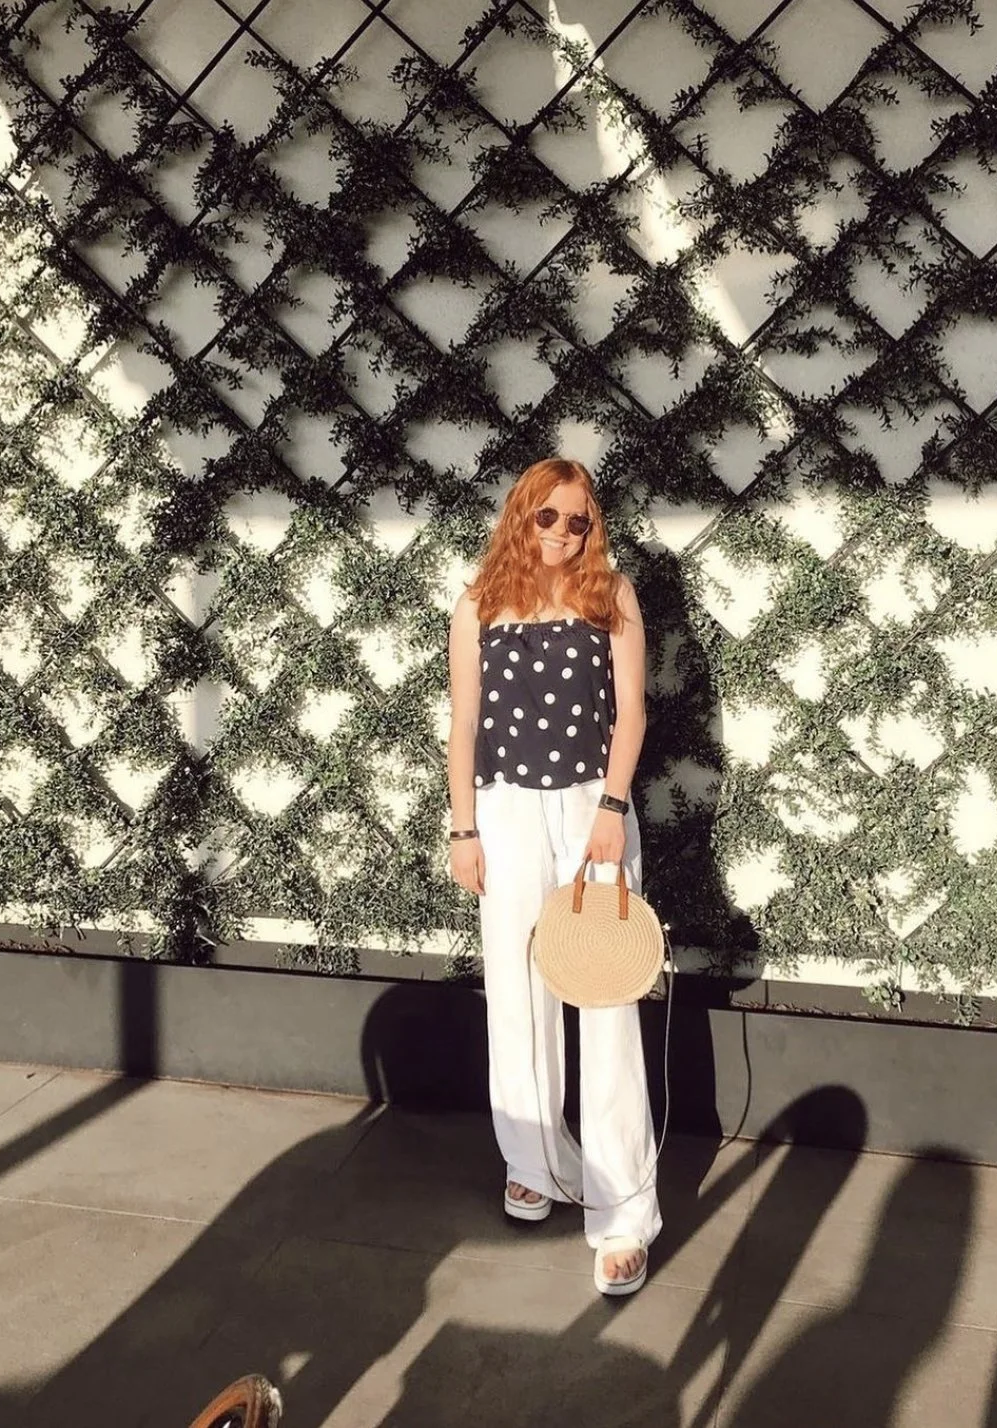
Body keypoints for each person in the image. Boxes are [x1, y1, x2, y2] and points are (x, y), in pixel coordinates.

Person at [446, 456, 661, 1297]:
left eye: (578, 520)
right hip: (503, 811)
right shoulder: (478, 604)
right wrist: (464, 828)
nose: (564, 533)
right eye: (549, 516)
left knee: (605, 996)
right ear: (521, 514)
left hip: (588, 808)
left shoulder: (612, 595)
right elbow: (465, 724)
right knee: (515, 991)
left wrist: (611, 808)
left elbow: (631, 714)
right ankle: (532, 1161)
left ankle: (622, 1212)